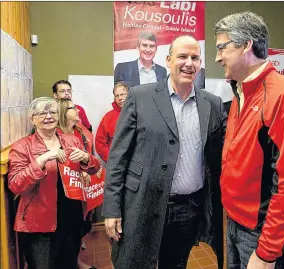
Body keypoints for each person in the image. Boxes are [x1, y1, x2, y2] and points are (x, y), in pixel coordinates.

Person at [102, 35, 227, 269]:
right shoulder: (140, 97)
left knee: (176, 264)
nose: (189, 63)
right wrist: (111, 208)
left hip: (188, 210)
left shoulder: (212, 103)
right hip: (141, 205)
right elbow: (118, 157)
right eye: (182, 56)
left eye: (195, 58)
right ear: (168, 61)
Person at [214, 12, 284, 269]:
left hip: (260, 232)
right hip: (235, 223)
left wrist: (268, 251)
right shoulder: (240, 92)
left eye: (222, 47)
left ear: (246, 45)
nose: (217, 57)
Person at [8, 97, 100, 269]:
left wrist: (87, 158)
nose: (48, 116)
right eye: (42, 113)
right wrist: (42, 159)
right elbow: (16, 185)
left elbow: (94, 168)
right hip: (39, 225)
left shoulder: (72, 140)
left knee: (69, 264)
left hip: (71, 219)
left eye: (53, 112)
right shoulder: (22, 147)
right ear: (32, 119)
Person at [56, 98, 101, 269]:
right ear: (62, 113)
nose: (78, 110)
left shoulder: (79, 132)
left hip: (80, 188)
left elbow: (89, 158)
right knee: (66, 236)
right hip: (63, 194)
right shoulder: (54, 136)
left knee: (77, 230)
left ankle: (76, 262)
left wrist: (85, 167)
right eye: (72, 108)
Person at [95, 82, 128, 163]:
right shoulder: (108, 117)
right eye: (117, 96)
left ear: (129, 95)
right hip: (116, 165)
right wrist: (112, 160)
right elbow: (100, 143)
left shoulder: (139, 113)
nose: (120, 98)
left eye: (122, 94)